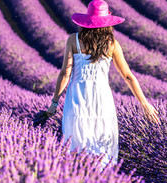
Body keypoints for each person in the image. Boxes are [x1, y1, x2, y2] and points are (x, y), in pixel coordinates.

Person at [46, 0, 160, 168]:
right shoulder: (112, 43)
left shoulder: (73, 40)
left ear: (86, 21)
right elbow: (128, 76)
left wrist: (54, 103)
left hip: (77, 99)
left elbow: (65, 73)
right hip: (102, 100)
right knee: (103, 146)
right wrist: (145, 104)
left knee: (76, 144)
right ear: (107, 23)